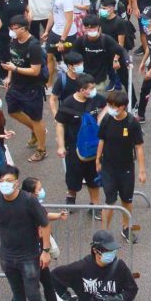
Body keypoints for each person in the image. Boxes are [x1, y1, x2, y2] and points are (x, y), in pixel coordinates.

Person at [0, 165, 52, 301]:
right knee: (18, 294)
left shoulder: (29, 201)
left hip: (29, 257)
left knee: (33, 295)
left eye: (8, 180)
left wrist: (46, 251)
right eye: (1, 181)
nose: (5, 183)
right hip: (7, 258)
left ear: (16, 182)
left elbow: (45, 223)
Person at [51, 229, 139, 301]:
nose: (111, 253)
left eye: (113, 249)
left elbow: (132, 289)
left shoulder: (119, 266)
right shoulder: (82, 267)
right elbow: (54, 277)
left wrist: (116, 299)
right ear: (95, 250)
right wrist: (69, 298)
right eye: (107, 250)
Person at [96, 89, 146, 242]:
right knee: (109, 200)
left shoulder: (132, 123)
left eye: (114, 106)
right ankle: (104, 233)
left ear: (123, 106)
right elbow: (102, 140)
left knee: (126, 200)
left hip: (126, 169)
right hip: (108, 167)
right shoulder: (107, 120)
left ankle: (126, 227)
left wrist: (142, 170)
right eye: (109, 105)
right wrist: (97, 159)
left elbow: (138, 147)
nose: (111, 108)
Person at [54, 72, 105, 211]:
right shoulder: (68, 103)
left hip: (94, 147)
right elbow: (60, 124)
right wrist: (61, 146)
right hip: (74, 147)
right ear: (82, 89)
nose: (94, 90)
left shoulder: (96, 99)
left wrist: (100, 117)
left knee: (94, 179)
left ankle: (95, 206)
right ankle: (71, 197)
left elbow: (108, 105)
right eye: (91, 88)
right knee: (73, 178)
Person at [4, 16, 48, 163]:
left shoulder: (34, 46)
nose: (11, 31)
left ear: (23, 28)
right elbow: (13, 59)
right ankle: (36, 131)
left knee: (37, 118)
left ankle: (41, 149)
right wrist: (9, 76)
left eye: (14, 28)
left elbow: (35, 71)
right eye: (11, 28)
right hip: (16, 84)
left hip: (32, 88)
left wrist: (15, 69)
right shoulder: (14, 41)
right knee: (12, 111)